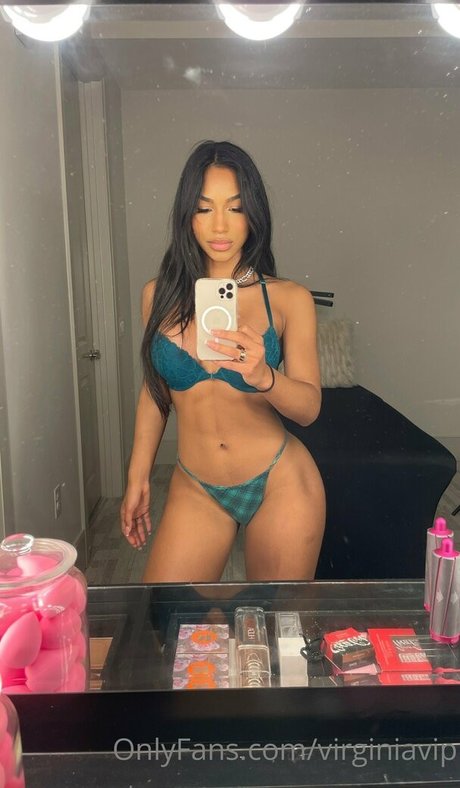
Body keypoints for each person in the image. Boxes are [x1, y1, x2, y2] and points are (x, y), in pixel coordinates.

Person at [120, 140, 325, 582]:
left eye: (235, 208)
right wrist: (137, 476)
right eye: (203, 208)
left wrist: (265, 377)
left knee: (277, 620)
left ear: (254, 214)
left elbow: (309, 409)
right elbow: (156, 393)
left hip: (280, 480)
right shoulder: (157, 296)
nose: (219, 225)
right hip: (197, 485)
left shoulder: (289, 299)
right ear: (186, 215)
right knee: (166, 615)